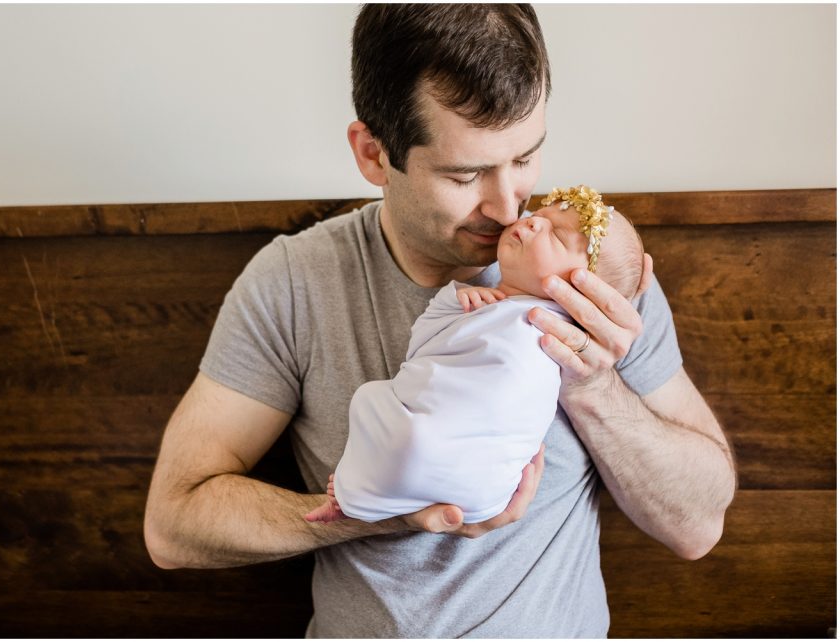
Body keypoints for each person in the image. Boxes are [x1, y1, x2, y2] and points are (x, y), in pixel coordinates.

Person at [144, 5, 736, 637]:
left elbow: (697, 526)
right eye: (467, 173)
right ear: (373, 154)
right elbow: (174, 525)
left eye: (526, 157)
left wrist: (593, 385)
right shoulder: (296, 280)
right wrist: (382, 512)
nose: (511, 206)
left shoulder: (594, 280)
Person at [304, 188, 645, 524]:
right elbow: (423, 351)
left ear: (587, 290)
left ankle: (355, 496)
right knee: (385, 409)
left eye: (556, 235)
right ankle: (360, 497)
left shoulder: (574, 333)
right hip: (480, 492)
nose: (531, 222)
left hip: (482, 473)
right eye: (540, 215)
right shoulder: (483, 304)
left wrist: (596, 377)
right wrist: (456, 300)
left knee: (371, 400)